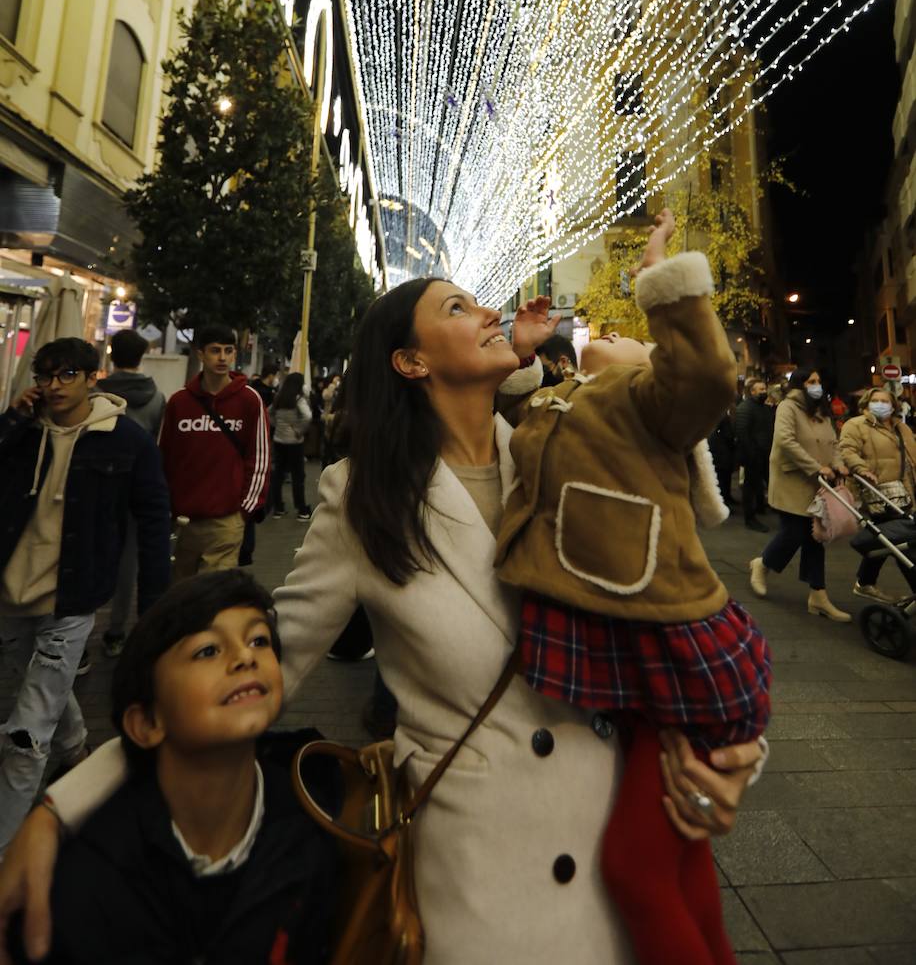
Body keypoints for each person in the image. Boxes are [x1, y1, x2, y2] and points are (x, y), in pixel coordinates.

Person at [0, 290, 765, 965]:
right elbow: (266, 661)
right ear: (409, 361)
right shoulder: (364, 497)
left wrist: (730, 757)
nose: (491, 312)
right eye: (459, 309)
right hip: (483, 889)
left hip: (623, 872)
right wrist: (65, 804)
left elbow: (674, 613)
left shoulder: (565, 452)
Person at [494, 211, 771, 965]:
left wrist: (662, 274)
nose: (609, 331)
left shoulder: (651, 406)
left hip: (669, 642)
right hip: (631, 646)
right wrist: (522, 354)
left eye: (632, 336)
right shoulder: (566, 402)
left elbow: (708, 373)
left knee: (635, 867)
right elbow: (520, 411)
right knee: (684, 863)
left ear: (652, 367)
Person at [9, 570, 335, 964]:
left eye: (259, 640)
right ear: (146, 723)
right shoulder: (86, 883)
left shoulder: (310, 828)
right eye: (207, 650)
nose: (246, 656)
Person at [0, 337, 171, 854]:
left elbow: (154, 516)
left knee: (26, 733)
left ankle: (5, 848)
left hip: (73, 597)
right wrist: (11, 419)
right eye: (46, 374)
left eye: (66, 375)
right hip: (10, 592)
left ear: (92, 377)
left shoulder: (124, 440)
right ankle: (77, 749)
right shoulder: (24, 429)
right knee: (40, 685)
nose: (53, 386)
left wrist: (155, 608)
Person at [158, 325, 270, 579]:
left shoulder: (249, 400)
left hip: (226, 521)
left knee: (213, 594)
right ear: (201, 354)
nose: (222, 357)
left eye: (228, 351)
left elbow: (260, 459)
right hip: (183, 521)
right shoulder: (179, 402)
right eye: (215, 351)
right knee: (181, 594)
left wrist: (244, 511)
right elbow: (165, 456)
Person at [750, 367, 851, 621]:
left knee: (816, 536)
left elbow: (833, 443)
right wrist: (816, 467)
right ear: (799, 384)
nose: (817, 385)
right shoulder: (788, 407)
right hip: (793, 481)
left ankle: (818, 595)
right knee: (794, 532)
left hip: (819, 483)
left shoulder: (821, 411)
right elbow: (786, 441)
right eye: (811, 381)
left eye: (818, 380)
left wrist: (838, 463)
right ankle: (762, 564)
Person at [98, 330, 167, 658]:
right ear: (142, 356)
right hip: (139, 486)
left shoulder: (95, 394)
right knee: (129, 561)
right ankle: (116, 630)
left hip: (97, 483)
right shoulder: (156, 397)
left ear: (111, 355)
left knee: (87, 553)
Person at [839, 386, 916, 602]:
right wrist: (861, 469)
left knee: (885, 538)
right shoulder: (855, 425)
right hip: (876, 494)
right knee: (903, 541)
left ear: (894, 406)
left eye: (885, 401)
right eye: (876, 400)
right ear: (866, 403)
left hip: (904, 493)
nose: (881, 404)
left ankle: (865, 582)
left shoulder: (902, 428)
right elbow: (846, 450)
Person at [268, 373, 312, 521]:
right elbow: (307, 416)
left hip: (279, 441)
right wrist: (299, 430)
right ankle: (302, 510)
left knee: (278, 475)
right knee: (297, 476)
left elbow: (269, 414)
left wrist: (278, 426)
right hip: (294, 442)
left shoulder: (278, 398)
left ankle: (278, 508)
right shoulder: (298, 399)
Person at [734, 378, 775, 534]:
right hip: (753, 456)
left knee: (764, 484)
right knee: (750, 487)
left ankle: (760, 507)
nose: (764, 391)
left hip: (765, 454)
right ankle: (750, 518)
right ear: (752, 392)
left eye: (765, 388)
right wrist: (751, 454)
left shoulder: (764, 408)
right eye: (760, 389)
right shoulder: (745, 408)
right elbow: (743, 434)